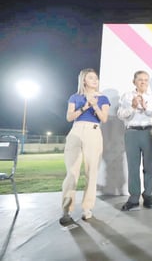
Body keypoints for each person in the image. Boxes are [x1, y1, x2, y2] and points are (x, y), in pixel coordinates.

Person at [59, 68, 111, 225]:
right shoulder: (75, 97)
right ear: (83, 80)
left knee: (91, 172)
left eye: (96, 78)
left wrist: (94, 106)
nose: (95, 80)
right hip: (76, 131)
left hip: (93, 132)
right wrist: (85, 106)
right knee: (71, 173)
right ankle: (66, 211)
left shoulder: (103, 98)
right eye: (91, 78)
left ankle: (87, 209)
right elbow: (69, 117)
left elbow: (104, 118)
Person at [117, 70, 152, 211]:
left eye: (145, 80)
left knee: (149, 167)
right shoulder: (126, 96)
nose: (143, 82)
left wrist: (146, 108)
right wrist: (133, 106)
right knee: (133, 167)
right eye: (140, 79)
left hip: (149, 132)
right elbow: (120, 115)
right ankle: (134, 198)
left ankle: (148, 195)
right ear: (134, 82)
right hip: (132, 132)